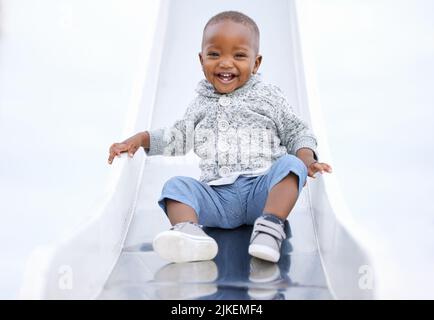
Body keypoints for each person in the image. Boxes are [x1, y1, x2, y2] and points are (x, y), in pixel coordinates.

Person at [108, 11, 332, 264]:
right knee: (175, 187)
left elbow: (296, 131)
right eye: (215, 55)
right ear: (201, 59)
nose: (226, 63)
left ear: (256, 63)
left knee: (290, 165)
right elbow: (179, 137)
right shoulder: (200, 103)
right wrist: (140, 139)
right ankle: (189, 234)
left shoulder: (269, 96)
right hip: (217, 198)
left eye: (239, 56)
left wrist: (306, 159)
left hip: (263, 192)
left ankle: (270, 227)